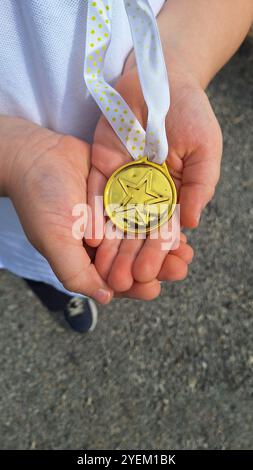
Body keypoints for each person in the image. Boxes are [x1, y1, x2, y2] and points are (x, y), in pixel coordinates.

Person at [0, 0, 252, 333]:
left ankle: (57, 286)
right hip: (13, 196)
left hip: (131, 117)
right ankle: (43, 280)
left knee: (67, 257)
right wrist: (15, 155)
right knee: (31, 251)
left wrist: (175, 63)